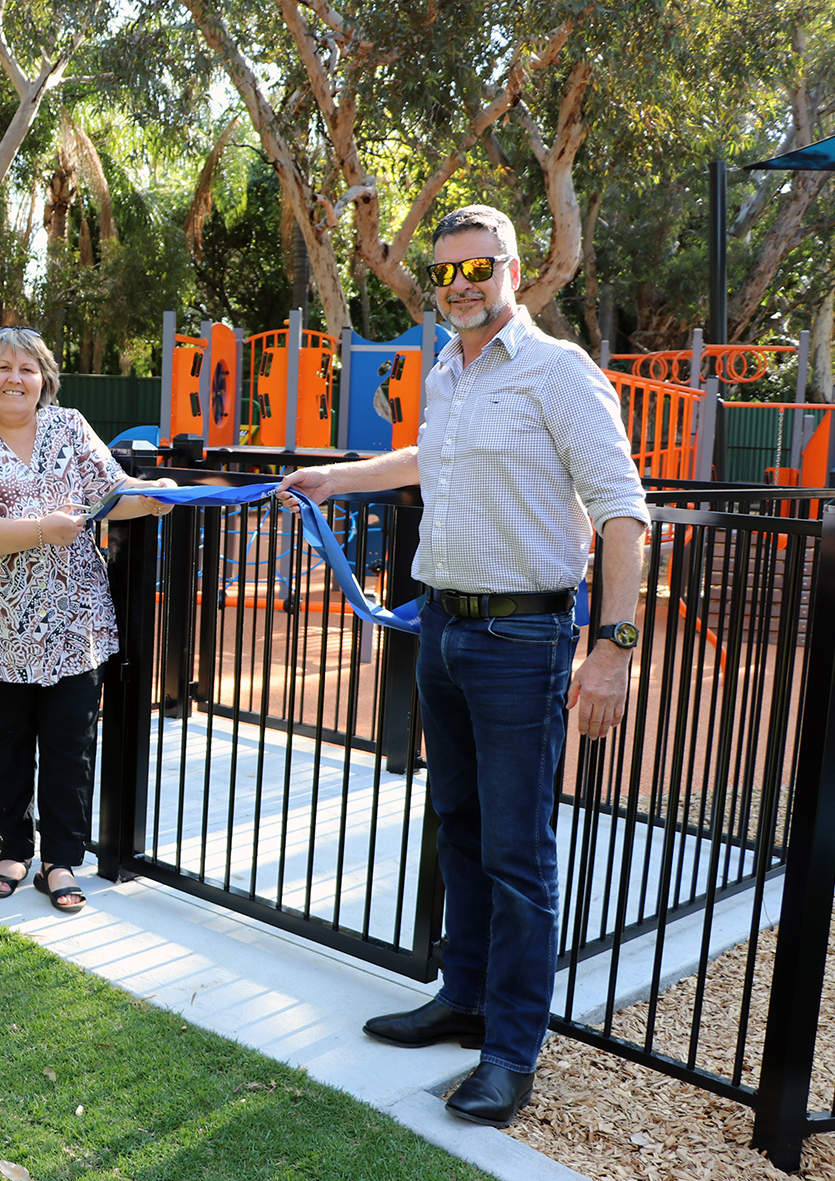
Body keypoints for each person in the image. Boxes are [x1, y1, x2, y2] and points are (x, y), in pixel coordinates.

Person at [276, 205, 649, 1127]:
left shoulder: (560, 373)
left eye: (480, 267)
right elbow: (426, 455)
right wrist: (338, 477)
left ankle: (512, 1050)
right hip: (441, 626)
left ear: (515, 269)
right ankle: (465, 996)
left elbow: (622, 511)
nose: (463, 285)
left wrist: (613, 647)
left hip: (525, 641)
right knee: (461, 828)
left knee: (519, 853)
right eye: (448, 272)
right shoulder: (448, 370)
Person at [0, 327, 174, 914]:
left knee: (69, 745)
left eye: (28, 368)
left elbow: (114, 495)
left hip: (73, 626)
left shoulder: (70, 428)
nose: (16, 378)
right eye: (3, 367)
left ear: (45, 380)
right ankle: (13, 849)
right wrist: (42, 529)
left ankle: (60, 858)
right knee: (6, 744)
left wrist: (158, 492)